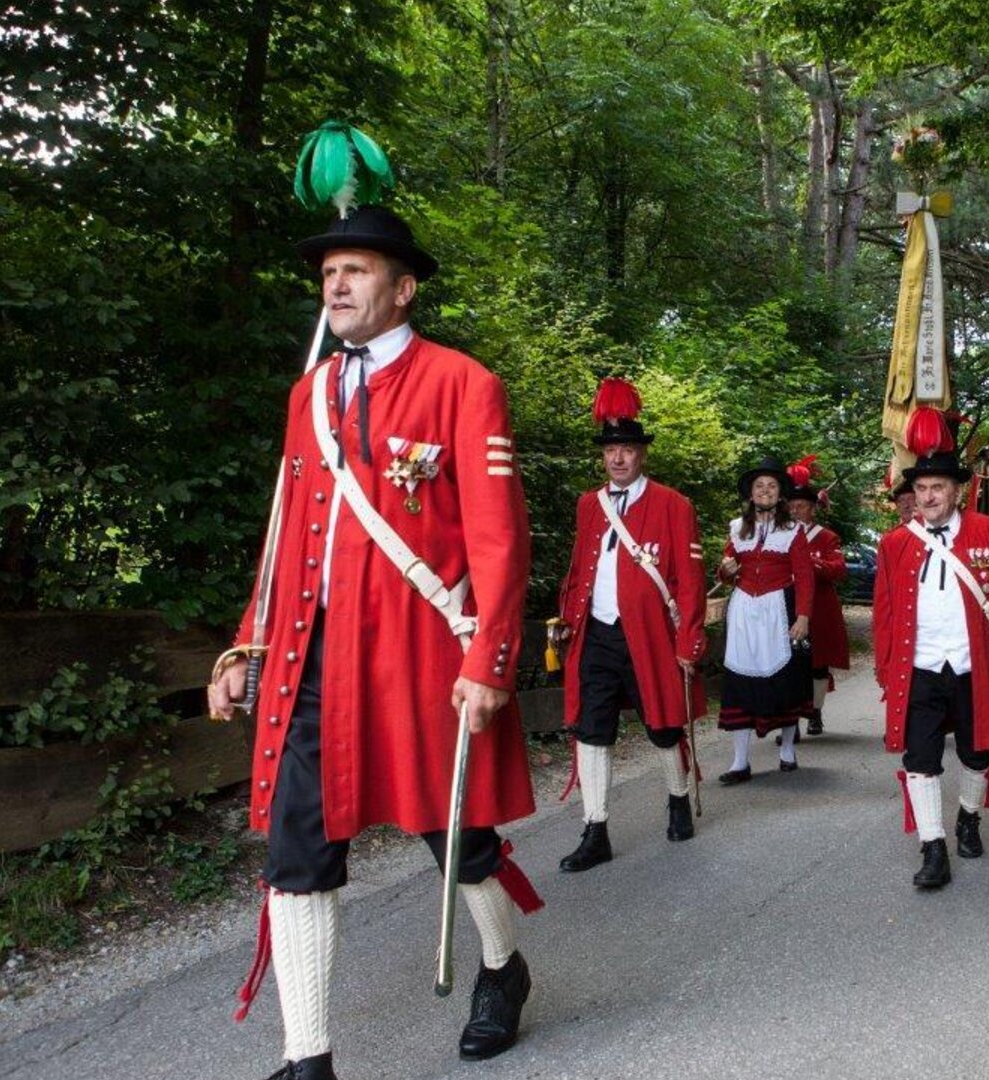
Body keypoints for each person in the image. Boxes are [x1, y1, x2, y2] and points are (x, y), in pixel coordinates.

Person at [206, 206, 542, 1080]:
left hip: (425, 655)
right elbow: (286, 531)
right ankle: (306, 1058)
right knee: (297, 855)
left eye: (356, 272)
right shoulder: (308, 394)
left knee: (459, 841)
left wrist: (490, 660)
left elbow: (501, 538)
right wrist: (247, 644)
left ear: (403, 288)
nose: (338, 287)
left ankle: (504, 971)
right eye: (329, 276)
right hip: (313, 662)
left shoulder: (465, 383)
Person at [873, 407, 989, 889]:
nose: (927, 497)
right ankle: (933, 847)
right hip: (919, 666)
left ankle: (968, 818)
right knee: (919, 758)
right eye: (920, 489)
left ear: (957, 490)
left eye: (937, 488)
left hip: (974, 666)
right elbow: (884, 614)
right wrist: (885, 670)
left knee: (977, 752)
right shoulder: (895, 543)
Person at [554, 377, 708, 872]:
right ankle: (595, 828)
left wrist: (688, 640)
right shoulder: (587, 505)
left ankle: (678, 795)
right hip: (596, 634)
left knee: (663, 726)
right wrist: (566, 618)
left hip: (650, 636)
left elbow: (689, 580)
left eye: (627, 450)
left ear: (642, 454)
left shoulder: (673, 505)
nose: (618, 458)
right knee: (590, 730)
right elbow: (580, 567)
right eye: (611, 450)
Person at [716, 455, 816, 781]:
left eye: (771, 486)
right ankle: (740, 761)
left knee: (785, 680)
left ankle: (787, 750)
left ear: (780, 493)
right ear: (751, 494)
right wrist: (726, 570)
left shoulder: (794, 531)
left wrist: (802, 616)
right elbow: (726, 571)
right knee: (740, 681)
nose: (765, 491)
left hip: (779, 608)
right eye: (759, 486)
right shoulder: (737, 529)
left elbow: (805, 576)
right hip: (744, 610)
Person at [784, 456, 849, 736]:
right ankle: (790, 720)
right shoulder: (779, 535)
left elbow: (838, 568)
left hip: (819, 608)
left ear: (813, 509)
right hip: (787, 606)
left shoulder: (826, 537)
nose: (796, 511)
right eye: (792, 506)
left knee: (817, 665)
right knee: (788, 664)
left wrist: (811, 563)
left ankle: (815, 711)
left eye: (802, 506)